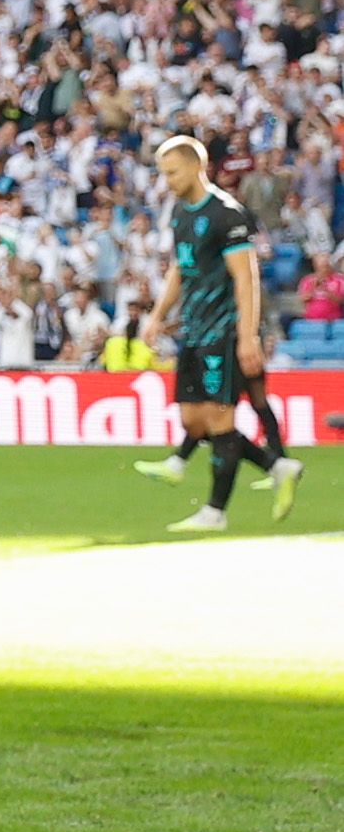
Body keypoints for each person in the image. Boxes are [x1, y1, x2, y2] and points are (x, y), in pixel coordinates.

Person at [138, 133, 305, 532]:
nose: (169, 181)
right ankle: (276, 463)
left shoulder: (227, 214)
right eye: (164, 174)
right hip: (193, 330)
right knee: (193, 420)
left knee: (219, 417)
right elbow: (181, 267)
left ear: (198, 166)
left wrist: (247, 336)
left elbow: (245, 278)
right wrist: (157, 315)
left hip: (223, 331)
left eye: (174, 172)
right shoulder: (180, 213)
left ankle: (215, 511)